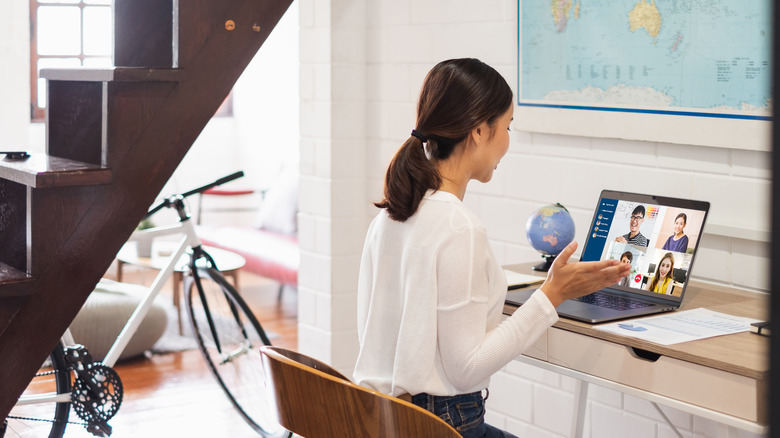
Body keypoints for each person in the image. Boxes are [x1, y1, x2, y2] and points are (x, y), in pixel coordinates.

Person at [354, 58, 630, 438]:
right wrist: (552, 294)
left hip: (385, 420)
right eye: (508, 126)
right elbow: (467, 369)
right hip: (441, 425)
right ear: (480, 130)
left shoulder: (391, 215)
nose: (507, 141)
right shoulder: (459, 228)